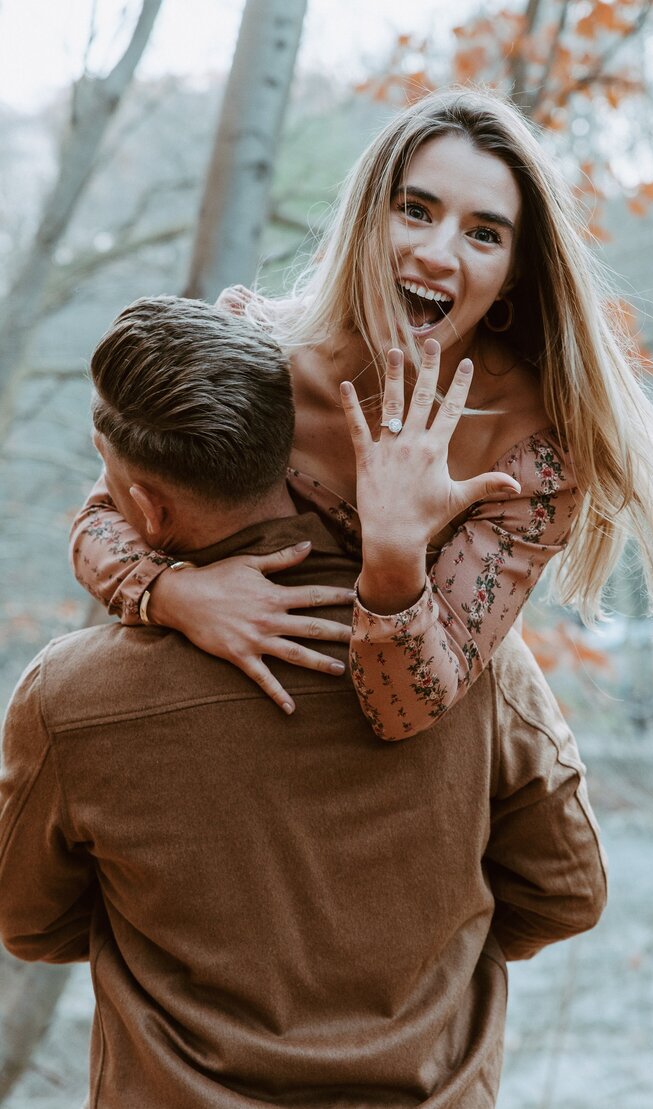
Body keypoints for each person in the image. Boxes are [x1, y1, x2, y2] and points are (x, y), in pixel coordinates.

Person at [0, 296, 607, 1107]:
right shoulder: (467, 662)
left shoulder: (70, 700)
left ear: (146, 508)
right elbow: (567, 892)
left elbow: (27, 921)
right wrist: (421, 965)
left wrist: (173, 933)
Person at [69, 88, 653, 738]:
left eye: (482, 233)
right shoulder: (256, 346)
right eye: (415, 211)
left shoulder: (534, 452)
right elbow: (100, 518)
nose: (438, 253)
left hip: (472, 748)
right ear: (368, 216)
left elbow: (404, 710)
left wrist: (396, 550)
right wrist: (174, 595)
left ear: (511, 273)